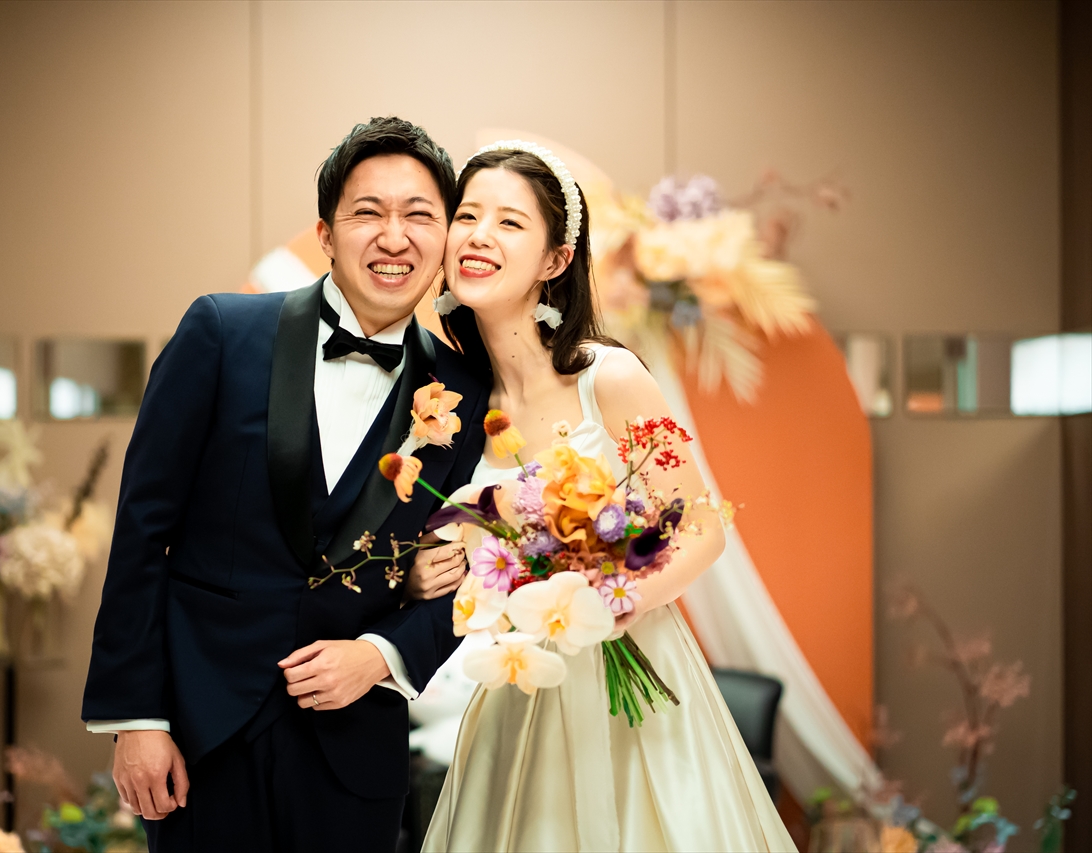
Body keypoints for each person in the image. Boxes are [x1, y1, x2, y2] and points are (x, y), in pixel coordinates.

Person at [80, 116, 488, 853]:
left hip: (354, 746)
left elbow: (477, 574)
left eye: (419, 215)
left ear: (445, 237)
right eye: (368, 213)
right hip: (203, 733)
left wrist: (382, 654)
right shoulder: (222, 331)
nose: (394, 237)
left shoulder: (468, 390)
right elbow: (143, 527)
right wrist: (138, 717)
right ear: (327, 233)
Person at [406, 141, 797, 852]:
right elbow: (449, 535)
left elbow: (702, 527)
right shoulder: (453, 405)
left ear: (556, 260)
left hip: (631, 673)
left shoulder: (608, 377)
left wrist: (615, 599)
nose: (479, 235)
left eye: (509, 222)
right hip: (522, 686)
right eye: (467, 215)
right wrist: (427, 570)